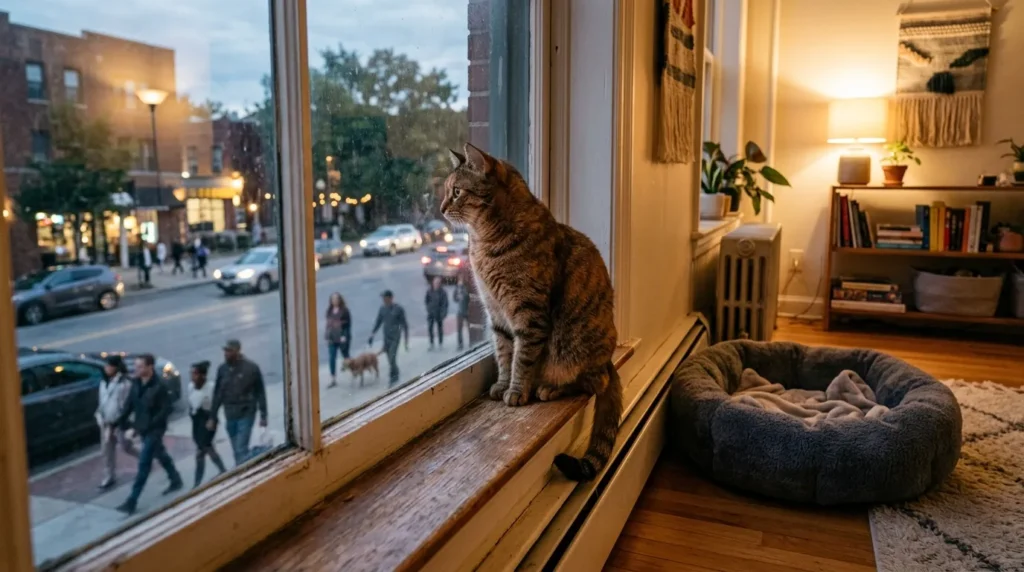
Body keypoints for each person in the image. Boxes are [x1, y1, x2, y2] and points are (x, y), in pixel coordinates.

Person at [114, 354, 183, 515]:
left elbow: (165, 410)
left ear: (149, 367)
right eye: (136, 366)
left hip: (154, 429)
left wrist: (142, 428)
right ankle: (175, 479)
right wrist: (119, 423)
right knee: (160, 454)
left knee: (144, 463)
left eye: (140, 367)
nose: (136, 369)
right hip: (143, 428)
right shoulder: (136, 383)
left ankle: (132, 500)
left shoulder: (159, 386)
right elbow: (129, 405)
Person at [209, 339, 268, 466]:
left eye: (229, 351)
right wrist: (212, 417)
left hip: (246, 414)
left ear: (237, 351)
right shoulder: (222, 369)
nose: (226, 354)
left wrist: (264, 415)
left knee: (241, 448)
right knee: (237, 450)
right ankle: (243, 468)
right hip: (230, 415)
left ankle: (243, 473)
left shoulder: (251, 368)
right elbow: (218, 394)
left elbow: (260, 392)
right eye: (225, 351)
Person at [95, 355, 138, 490]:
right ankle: (109, 476)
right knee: (106, 451)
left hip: (119, 423)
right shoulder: (103, 382)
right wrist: (100, 416)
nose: (106, 368)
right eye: (106, 366)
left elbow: (126, 405)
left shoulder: (124, 383)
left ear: (116, 368)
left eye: (109, 366)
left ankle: (144, 460)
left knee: (126, 447)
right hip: (105, 422)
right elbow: (102, 402)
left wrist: (120, 422)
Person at [188, 361, 227, 489]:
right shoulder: (190, 387)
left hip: (208, 421)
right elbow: (191, 405)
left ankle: (197, 483)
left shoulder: (210, 387)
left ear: (202, 376)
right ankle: (223, 470)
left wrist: (212, 419)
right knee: (208, 449)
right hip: (196, 422)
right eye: (192, 373)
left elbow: (215, 404)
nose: (192, 376)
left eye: (195, 374)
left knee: (201, 452)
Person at [369, 290, 409, 385]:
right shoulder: (382, 309)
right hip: (386, 337)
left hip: (395, 337)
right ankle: (395, 371)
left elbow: (404, 324)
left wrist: (406, 340)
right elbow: (378, 322)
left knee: (392, 357)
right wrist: (372, 334)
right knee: (389, 358)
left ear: (390, 298)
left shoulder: (398, 309)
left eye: (385, 298)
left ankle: (393, 377)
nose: (383, 300)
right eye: (383, 298)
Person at [324, 292, 352, 388]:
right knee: (332, 357)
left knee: (346, 356)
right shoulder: (329, 311)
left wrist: (345, 336)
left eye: (336, 299)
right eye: (333, 299)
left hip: (342, 337)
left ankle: (354, 371)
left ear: (340, 300)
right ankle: (333, 379)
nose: (334, 301)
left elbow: (348, 326)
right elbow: (328, 325)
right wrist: (327, 337)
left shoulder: (345, 311)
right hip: (332, 338)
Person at [424, 277, 449, 350]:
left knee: (440, 329)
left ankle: (440, 343)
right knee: (430, 328)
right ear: (433, 283)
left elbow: (445, 304)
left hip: (439, 313)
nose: (436, 285)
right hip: (431, 313)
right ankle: (431, 344)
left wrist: (443, 313)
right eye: (435, 283)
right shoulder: (429, 291)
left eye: (438, 283)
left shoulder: (443, 292)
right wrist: (428, 309)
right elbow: (426, 301)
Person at [453, 273, 471, 351]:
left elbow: (469, 297)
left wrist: (464, 293)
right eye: (460, 279)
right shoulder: (457, 287)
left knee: (469, 328)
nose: (461, 280)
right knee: (459, 329)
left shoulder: (466, 287)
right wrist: (457, 297)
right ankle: (460, 344)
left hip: (467, 310)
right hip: (460, 311)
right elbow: (454, 298)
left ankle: (471, 342)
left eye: (462, 279)